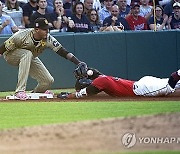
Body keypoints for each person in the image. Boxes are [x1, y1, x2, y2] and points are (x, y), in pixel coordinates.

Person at [0, 18, 87, 100]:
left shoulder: (48, 38)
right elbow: (4, 47)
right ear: (36, 29)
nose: (47, 31)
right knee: (27, 53)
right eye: (44, 29)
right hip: (10, 55)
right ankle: (19, 91)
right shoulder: (21, 35)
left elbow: (62, 51)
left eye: (47, 28)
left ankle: (38, 92)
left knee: (48, 80)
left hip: (29, 57)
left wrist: (78, 62)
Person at [57, 65, 180, 99]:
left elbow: (84, 93)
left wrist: (69, 95)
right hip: (142, 84)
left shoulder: (101, 81)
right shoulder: (103, 79)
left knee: (171, 84)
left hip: (142, 89)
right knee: (174, 84)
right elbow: (96, 74)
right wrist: (89, 71)